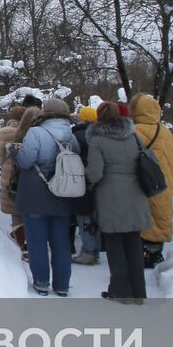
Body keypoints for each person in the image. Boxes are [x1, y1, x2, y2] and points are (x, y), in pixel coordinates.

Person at [9, 97, 80, 296]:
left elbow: (26, 161)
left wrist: (15, 153)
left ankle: (41, 282)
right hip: (63, 192)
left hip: (36, 193)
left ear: (45, 112)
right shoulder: (71, 134)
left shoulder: (36, 132)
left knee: (37, 241)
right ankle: (62, 285)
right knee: (61, 242)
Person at [85, 101, 154, 301]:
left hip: (110, 196)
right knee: (133, 241)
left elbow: (95, 173)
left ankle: (120, 290)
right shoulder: (133, 136)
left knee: (115, 244)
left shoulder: (97, 141)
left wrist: (87, 175)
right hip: (136, 193)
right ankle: (138, 291)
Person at [129, 93, 173, 269]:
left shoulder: (135, 131)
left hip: (144, 182)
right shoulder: (165, 131)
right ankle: (156, 252)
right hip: (162, 181)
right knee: (160, 216)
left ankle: (147, 253)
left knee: (146, 216)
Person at [0, 106, 29, 256]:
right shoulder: (30, 130)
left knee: (13, 207)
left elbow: (0, 156)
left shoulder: (4, 132)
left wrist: (5, 165)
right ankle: (28, 238)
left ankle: (20, 239)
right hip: (26, 171)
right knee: (26, 207)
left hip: (9, 172)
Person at [70, 106, 99, 265]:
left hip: (81, 180)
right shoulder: (101, 134)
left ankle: (88, 250)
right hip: (98, 181)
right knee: (95, 216)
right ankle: (95, 250)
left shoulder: (77, 135)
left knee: (84, 217)